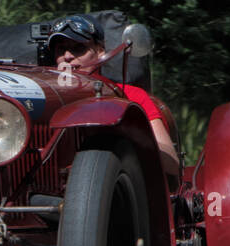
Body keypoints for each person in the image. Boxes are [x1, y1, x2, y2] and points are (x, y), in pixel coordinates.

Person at [46, 14, 180, 183]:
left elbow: (172, 162)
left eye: (78, 48)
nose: (67, 56)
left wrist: (128, 138)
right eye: (60, 49)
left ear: (100, 51)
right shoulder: (46, 99)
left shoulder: (130, 96)